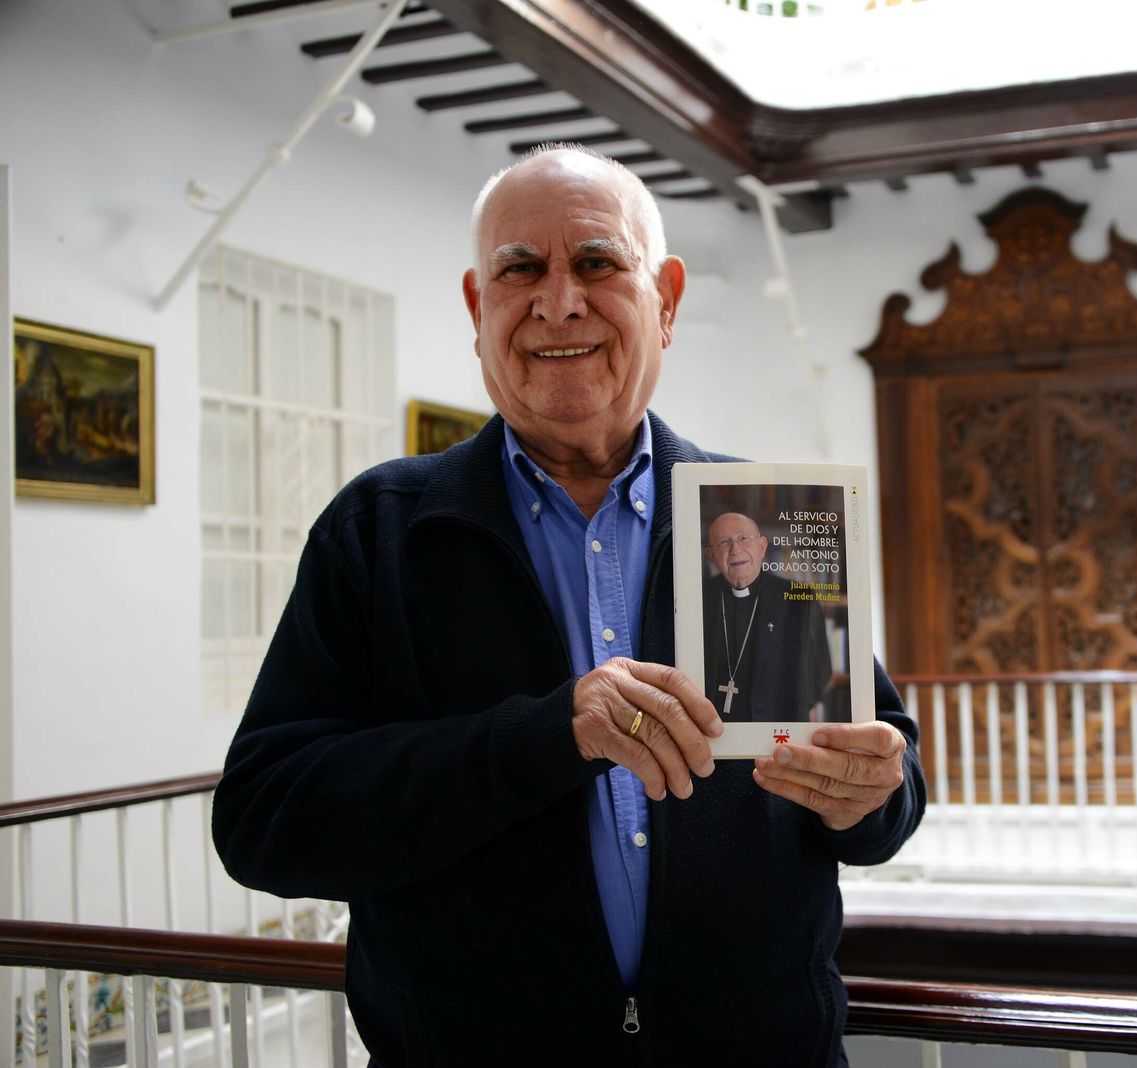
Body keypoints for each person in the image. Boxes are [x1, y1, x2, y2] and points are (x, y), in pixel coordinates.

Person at [210, 145, 925, 1066]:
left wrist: (871, 792)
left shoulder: (768, 519)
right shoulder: (382, 531)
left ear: (664, 300)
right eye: (520, 269)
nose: (558, 301)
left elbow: (886, 792)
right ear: (479, 308)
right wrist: (547, 737)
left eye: (596, 262)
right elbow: (266, 820)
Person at [702, 511, 835, 722]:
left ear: (762, 547)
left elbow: (820, 672)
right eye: (724, 542)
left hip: (777, 732)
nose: (735, 549)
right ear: (711, 555)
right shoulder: (699, 599)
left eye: (743, 538)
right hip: (714, 733)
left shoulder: (799, 599)